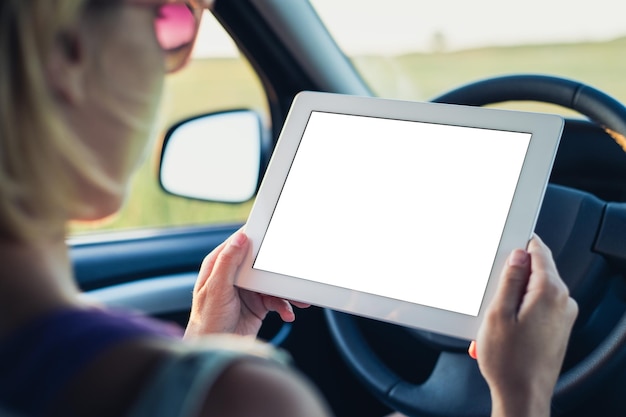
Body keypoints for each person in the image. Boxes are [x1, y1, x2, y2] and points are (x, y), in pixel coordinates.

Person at [0, 1, 577, 417]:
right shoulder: (248, 400)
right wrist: (522, 395)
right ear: (67, 55)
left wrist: (204, 347)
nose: (170, 59)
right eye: (169, 17)